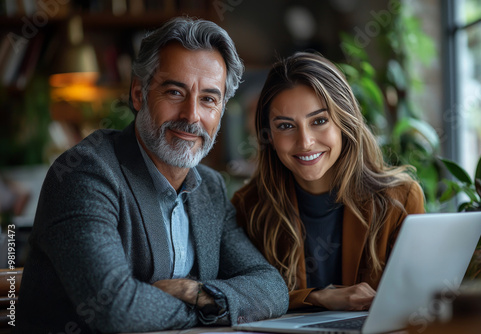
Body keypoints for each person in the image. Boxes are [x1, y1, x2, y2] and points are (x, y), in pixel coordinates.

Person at [15, 17, 288, 333]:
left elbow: (271, 288)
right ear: (138, 94)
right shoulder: (84, 174)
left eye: (209, 99)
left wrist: (195, 292)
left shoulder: (209, 188)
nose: (191, 115)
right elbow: (115, 309)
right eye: (175, 92)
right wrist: (217, 308)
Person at [231, 51, 425, 311]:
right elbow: (240, 296)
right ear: (268, 135)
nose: (305, 142)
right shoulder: (249, 207)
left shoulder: (401, 199)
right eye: (286, 126)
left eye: (319, 121)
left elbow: (419, 298)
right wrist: (316, 296)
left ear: (345, 122)